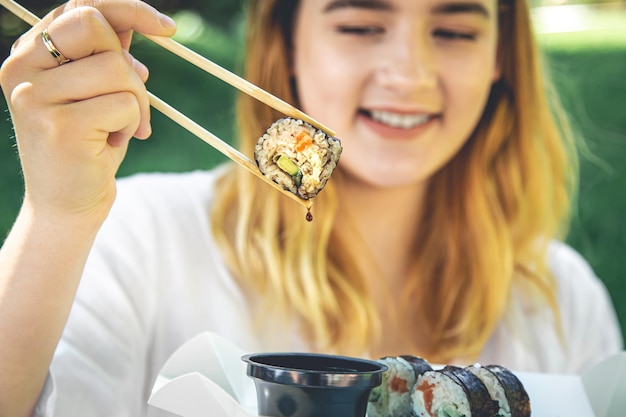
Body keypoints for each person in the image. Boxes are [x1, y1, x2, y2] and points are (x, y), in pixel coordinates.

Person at [0, 0, 622, 415]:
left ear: (500, 61)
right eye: (359, 25)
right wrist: (57, 217)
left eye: (455, 31)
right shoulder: (133, 238)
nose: (410, 73)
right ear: (287, 44)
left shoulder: (561, 300)